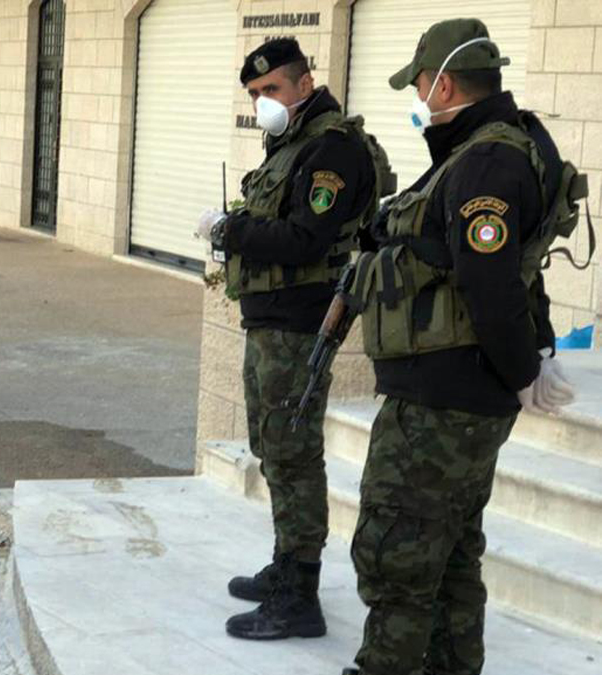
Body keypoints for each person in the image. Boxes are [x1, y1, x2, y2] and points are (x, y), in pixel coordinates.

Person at [342, 19, 581, 675]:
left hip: (442, 399)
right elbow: (518, 268)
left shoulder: (485, 162)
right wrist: (535, 353)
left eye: (419, 84)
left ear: (443, 84)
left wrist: (525, 368)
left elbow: (491, 281)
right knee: (448, 554)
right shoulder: (493, 149)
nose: (418, 97)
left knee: (396, 551)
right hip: (456, 391)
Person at [200, 38, 392, 641]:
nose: (262, 102)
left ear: (304, 84)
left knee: (293, 453)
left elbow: (306, 240)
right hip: (270, 320)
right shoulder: (293, 142)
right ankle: (286, 564)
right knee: (273, 446)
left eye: (271, 90)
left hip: (298, 322)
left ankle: (300, 594)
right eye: (255, 94)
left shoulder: (331, 150)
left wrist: (230, 230)